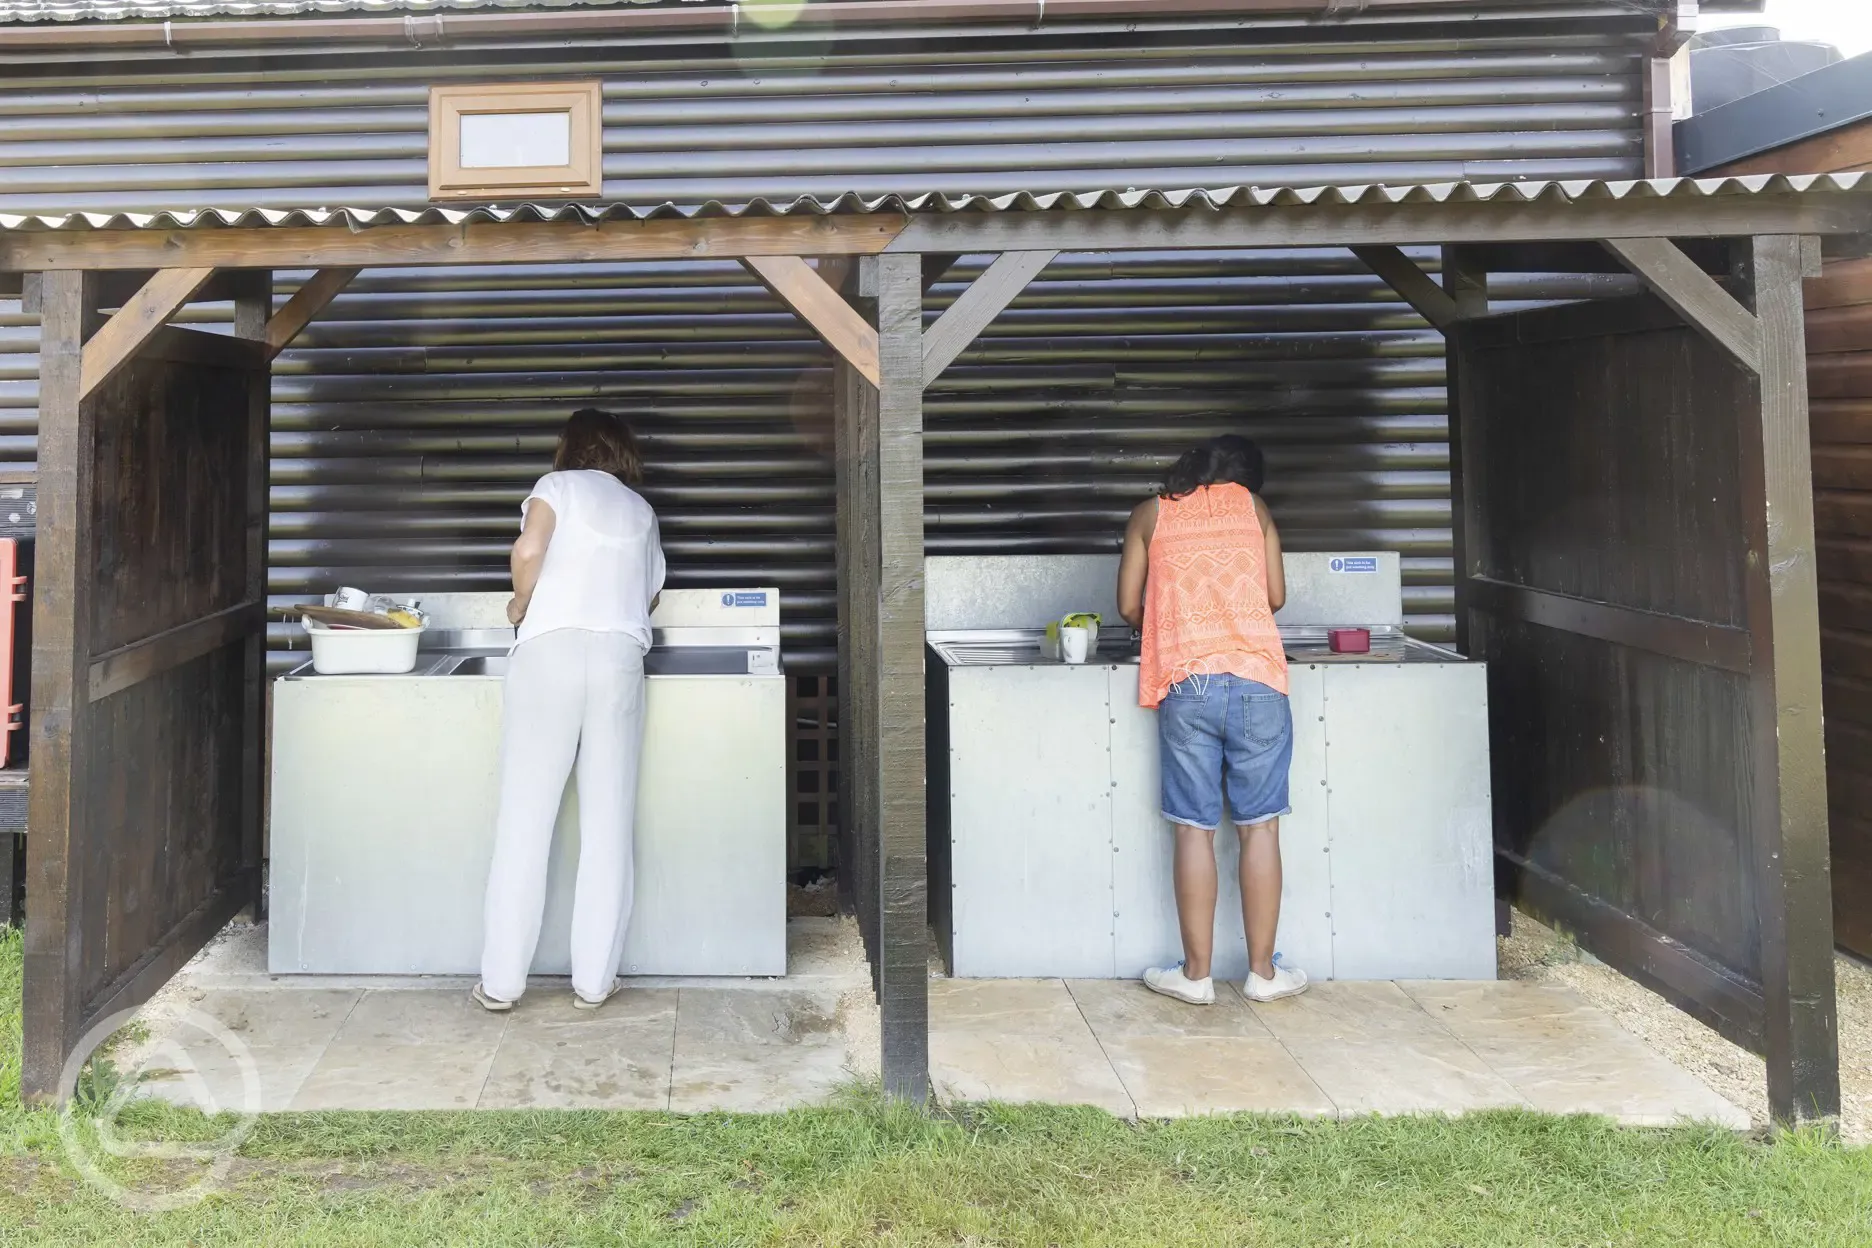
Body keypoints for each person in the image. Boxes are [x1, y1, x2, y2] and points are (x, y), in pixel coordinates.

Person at [474, 408, 666, 1013]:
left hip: (549, 652)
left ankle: (503, 984)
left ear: (571, 448)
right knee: (609, 823)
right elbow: (653, 590)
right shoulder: (641, 510)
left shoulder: (554, 487)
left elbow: (529, 548)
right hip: (617, 658)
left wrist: (519, 603)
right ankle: (594, 982)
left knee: (525, 819)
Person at [1116, 434, 1308, 1006]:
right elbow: (1274, 595)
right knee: (1261, 827)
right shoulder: (1255, 508)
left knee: (1193, 828)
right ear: (1245, 478)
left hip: (1187, 683)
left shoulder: (1151, 514)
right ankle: (1263, 975)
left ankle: (1195, 977)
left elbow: (1129, 606)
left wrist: (1177, 612)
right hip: (1257, 680)